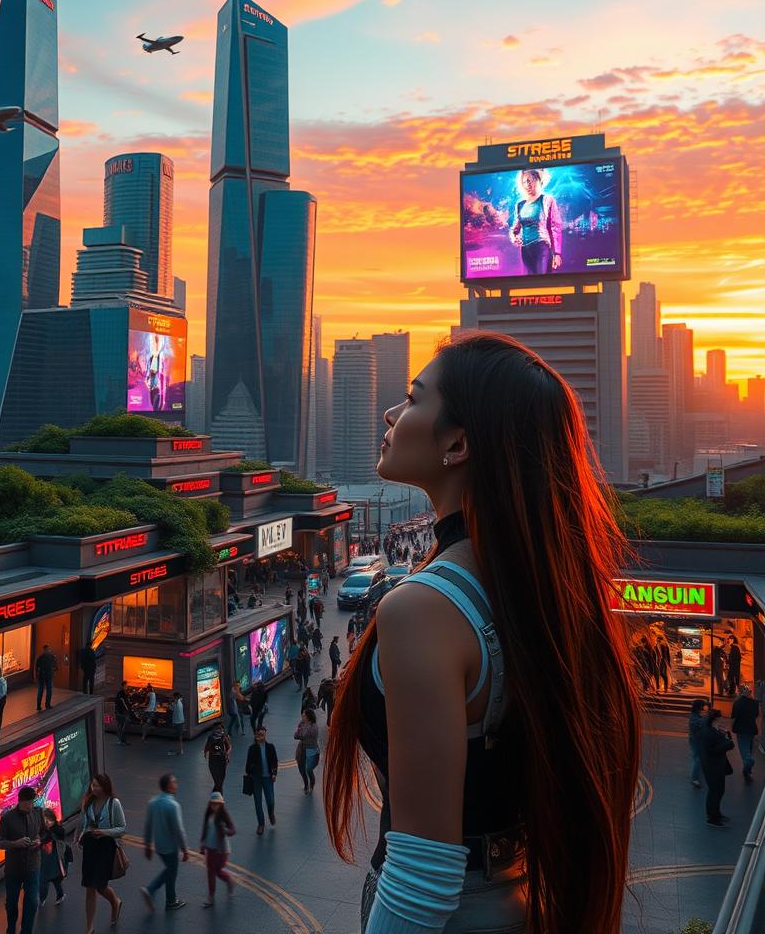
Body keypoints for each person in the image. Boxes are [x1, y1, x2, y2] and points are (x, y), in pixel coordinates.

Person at [323, 333, 643, 934]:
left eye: (413, 398)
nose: (391, 414)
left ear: (458, 444)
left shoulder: (422, 608)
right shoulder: (537, 584)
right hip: (517, 900)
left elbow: (420, 883)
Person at [76, 772, 126, 932]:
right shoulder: (88, 801)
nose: (94, 788)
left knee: (99, 885)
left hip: (106, 847)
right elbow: (83, 822)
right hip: (90, 846)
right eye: (93, 785)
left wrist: (104, 832)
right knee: (89, 886)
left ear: (105, 786)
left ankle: (115, 901)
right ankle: (89, 927)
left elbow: (122, 828)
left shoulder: (114, 803)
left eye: (97, 785)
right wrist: (79, 837)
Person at [0, 784, 43, 934]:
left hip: (33, 865)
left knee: (32, 901)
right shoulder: (8, 818)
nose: (31, 806)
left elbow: (44, 833)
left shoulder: (37, 813)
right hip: (13, 868)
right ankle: (11, 929)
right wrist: (15, 844)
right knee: (11, 903)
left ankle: (26, 931)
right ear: (21, 801)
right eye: (29, 803)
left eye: (33, 803)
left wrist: (39, 841)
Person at [141, 773, 189, 912]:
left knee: (170, 870)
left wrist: (147, 844)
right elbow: (179, 830)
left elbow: (148, 825)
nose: (176, 784)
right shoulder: (173, 805)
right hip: (171, 847)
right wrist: (185, 849)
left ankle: (169, 899)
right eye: (174, 782)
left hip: (159, 846)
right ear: (169, 786)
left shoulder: (152, 802)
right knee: (171, 871)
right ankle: (154, 892)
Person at [508, 168, 562, 275]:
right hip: (525, 250)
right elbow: (514, 229)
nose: (527, 184)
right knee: (529, 282)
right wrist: (514, 238)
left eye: (530, 180)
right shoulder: (520, 205)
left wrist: (557, 253)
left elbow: (555, 227)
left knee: (543, 280)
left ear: (538, 180)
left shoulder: (547, 200)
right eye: (524, 182)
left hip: (542, 247)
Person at [199, 792, 235, 907]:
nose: (215, 806)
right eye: (213, 804)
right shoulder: (209, 815)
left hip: (221, 849)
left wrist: (226, 831)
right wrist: (203, 844)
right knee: (210, 872)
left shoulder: (224, 816)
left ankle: (229, 880)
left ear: (222, 805)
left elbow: (233, 830)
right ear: (210, 804)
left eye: (218, 804)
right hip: (210, 848)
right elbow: (205, 829)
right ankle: (211, 897)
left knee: (218, 871)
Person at [700, 708, 735, 826]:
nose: (722, 719)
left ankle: (716, 813)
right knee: (715, 791)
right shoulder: (710, 732)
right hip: (713, 767)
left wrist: (726, 737)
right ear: (716, 719)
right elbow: (713, 750)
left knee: (719, 790)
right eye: (720, 717)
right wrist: (728, 744)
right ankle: (712, 817)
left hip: (716, 766)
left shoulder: (713, 730)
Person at [245, 726, 278, 835]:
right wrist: (252, 771)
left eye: (263, 734)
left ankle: (271, 813)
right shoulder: (252, 749)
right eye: (260, 735)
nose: (262, 737)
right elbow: (248, 765)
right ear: (256, 736)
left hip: (268, 777)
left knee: (270, 800)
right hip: (257, 779)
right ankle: (261, 824)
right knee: (258, 802)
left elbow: (274, 761)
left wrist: (274, 773)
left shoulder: (270, 747)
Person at [38, 807, 67, 908]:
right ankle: (43, 898)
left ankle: (46, 898)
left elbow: (48, 839)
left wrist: (40, 841)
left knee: (52, 880)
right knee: (47, 880)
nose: (47, 823)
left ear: (53, 819)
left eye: (49, 820)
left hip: (54, 860)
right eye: (45, 821)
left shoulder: (57, 831)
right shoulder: (44, 830)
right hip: (46, 860)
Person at [731, 684, 760, 784]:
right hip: (751, 729)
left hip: (740, 730)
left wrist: (730, 728)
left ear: (740, 693)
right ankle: (747, 771)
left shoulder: (737, 703)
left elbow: (734, 718)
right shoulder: (755, 703)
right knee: (749, 749)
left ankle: (748, 765)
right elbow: (756, 716)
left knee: (745, 751)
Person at [295, 708, 320, 794]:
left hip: (311, 750)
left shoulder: (313, 727)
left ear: (308, 717)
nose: (302, 716)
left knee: (309, 769)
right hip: (302, 749)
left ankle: (311, 784)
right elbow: (296, 735)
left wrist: (299, 731)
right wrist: (299, 731)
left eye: (304, 715)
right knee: (301, 768)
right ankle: (306, 784)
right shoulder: (302, 723)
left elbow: (300, 735)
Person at [203, 720, 232, 792]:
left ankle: (216, 795)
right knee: (217, 780)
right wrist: (205, 752)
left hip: (222, 760)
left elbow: (229, 747)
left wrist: (227, 754)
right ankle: (218, 795)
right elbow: (207, 746)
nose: (219, 730)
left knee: (220, 781)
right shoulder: (211, 738)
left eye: (220, 728)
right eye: (217, 728)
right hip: (213, 759)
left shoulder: (224, 737)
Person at [688, 700, 707, 788]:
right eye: (702, 706)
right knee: (698, 758)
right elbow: (697, 726)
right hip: (696, 739)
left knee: (697, 757)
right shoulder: (695, 717)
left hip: (696, 739)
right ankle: (695, 777)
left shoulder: (695, 716)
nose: (703, 708)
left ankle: (696, 774)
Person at [35, 645, 57, 712]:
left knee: (41, 691)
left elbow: (37, 668)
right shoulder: (51, 657)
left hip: (42, 676)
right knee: (48, 690)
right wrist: (54, 671)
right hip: (47, 676)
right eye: (47, 649)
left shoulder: (40, 658)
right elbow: (55, 666)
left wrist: (37, 676)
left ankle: (39, 706)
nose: (48, 651)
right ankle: (47, 705)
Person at [115, 682, 133, 746]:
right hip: (121, 712)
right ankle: (121, 741)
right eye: (126, 685)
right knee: (122, 727)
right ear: (123, 686)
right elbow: (123, 702)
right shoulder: (121, 693)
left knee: (122, 727)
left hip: (122, 712)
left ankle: (123, 741)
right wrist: (127, 709)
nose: (127, 687)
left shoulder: (124, 693)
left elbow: (126, 702)